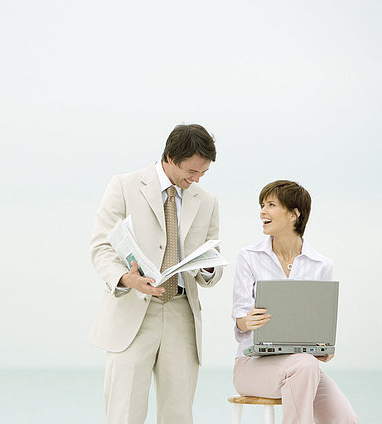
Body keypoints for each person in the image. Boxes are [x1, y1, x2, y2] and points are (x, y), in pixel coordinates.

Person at [90, 124, 224, 424]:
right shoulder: (124, 186)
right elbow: (100, 247)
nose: (197, 179)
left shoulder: (208, 201)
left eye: (203, 173)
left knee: (179, 415)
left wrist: (209, 266)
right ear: (171, 157)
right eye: (192, 171)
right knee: (124, 413)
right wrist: (126, 279)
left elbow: (212, 272)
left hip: (181, 314)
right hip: (132, 313)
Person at [232, 180, 359, 424]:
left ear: (294, 214)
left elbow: (320, 322)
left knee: (346, 419)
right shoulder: (249, 257)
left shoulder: (321, 265)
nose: (262, 212)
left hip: (303, 367)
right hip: (252, 366)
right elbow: (239, 317)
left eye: (271, 205)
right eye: (262, 205)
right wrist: (246, 321)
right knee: (304, 365)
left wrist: (322, 346)